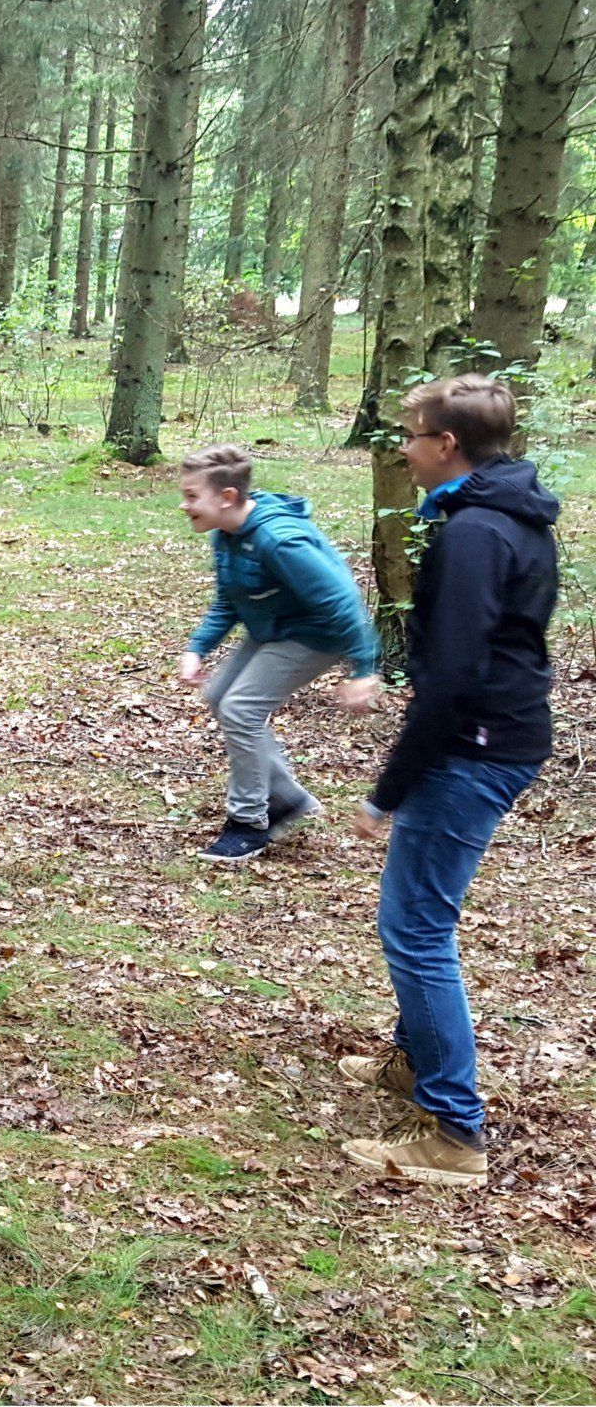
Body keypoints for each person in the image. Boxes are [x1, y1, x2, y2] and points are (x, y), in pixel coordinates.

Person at [340, 376, 558, 1189]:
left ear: (447, 446)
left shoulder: (474, 534)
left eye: (411, 433)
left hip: (474, 746)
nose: (402, 447)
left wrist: (386, 791)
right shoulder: (508, 515)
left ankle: (456, 1132)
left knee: (417, 930)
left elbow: (457, 676)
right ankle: (413, 1061)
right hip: (496, 736)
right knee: (422, 921)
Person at [176, 445, 381, 862]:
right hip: (273, 627)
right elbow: (228, 601)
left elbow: (343, 601)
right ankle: (286, 798)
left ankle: (251, 821)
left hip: (317, 635)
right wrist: (197, 648)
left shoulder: (278, 541)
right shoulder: (228, 536)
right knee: (220, 698)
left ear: (228, 497)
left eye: (193, 496)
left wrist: (364, 668)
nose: (185, 505)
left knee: (240, 708)